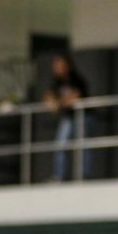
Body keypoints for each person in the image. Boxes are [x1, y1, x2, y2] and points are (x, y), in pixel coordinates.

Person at [45, 54, 92, 182]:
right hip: (68, 117)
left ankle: (85, 175)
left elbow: (75, 97)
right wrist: (53, 103)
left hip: (82, 116)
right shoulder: (56, 81)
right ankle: (59, 176)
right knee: (60, 144)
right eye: (55, 66)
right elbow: (49, 97)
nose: (56, 69)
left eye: (59, 65)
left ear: (66, 66)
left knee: (82, 144)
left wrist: (59, 103)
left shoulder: (75, 79)